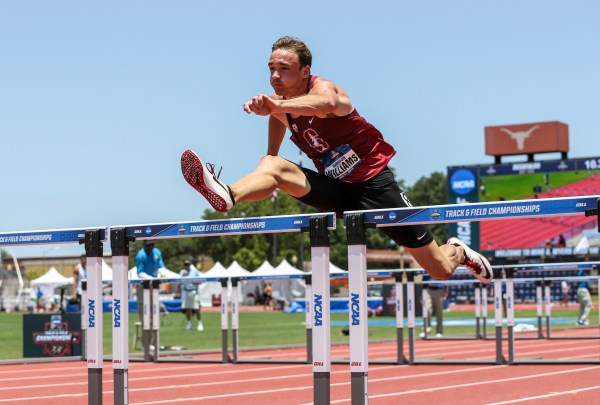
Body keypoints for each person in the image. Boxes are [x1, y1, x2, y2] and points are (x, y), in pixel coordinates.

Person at [180, 36, 493, 286]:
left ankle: (459, 251)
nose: (275, 75)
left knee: (439, 269)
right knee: (272, 164)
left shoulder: (325, 89)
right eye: (271, 68)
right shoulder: (281, 105)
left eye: (284, 69)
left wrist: (275, 104)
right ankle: (228, 194)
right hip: (337, 190)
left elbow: (326, 104)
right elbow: (276, 135)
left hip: (374, 186)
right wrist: (269, 164)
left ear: (305, 71)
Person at [135, 240, 165, 321]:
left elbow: (161, 267)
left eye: (152, 244)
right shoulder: (140, 255)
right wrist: (150, 278)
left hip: (155, 284)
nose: (150, 247)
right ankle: (146, 332)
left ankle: (155, 332)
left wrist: (159, 275)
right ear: (144, 245)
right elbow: (140, 273)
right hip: (143, 284)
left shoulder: (157, 252)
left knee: (155, 307)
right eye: (148, 245)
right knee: (144, 308)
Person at [180, 260, 204, 331]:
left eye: (188, 264)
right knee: (187, 308)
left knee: (196, 308)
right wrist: (183, 276)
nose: (186, 266)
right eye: (185, 265)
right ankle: (189, 323)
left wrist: (193, 281)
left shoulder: (195, 271)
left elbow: (200, 281)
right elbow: (179, 282)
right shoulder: (182, 272)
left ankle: (199, 323)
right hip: (185, 291)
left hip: (193, 291)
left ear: (190, 265)